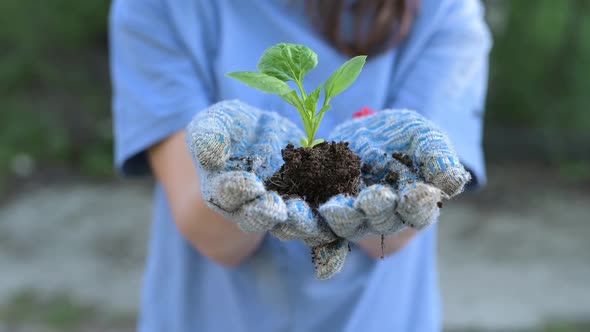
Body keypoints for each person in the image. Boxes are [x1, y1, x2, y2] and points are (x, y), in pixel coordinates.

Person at [109, 0, 491, 331]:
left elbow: (401, 224)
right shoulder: (159, 6)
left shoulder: (442, 9)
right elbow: (212, 234)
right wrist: (247, 177)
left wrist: (397, 184)